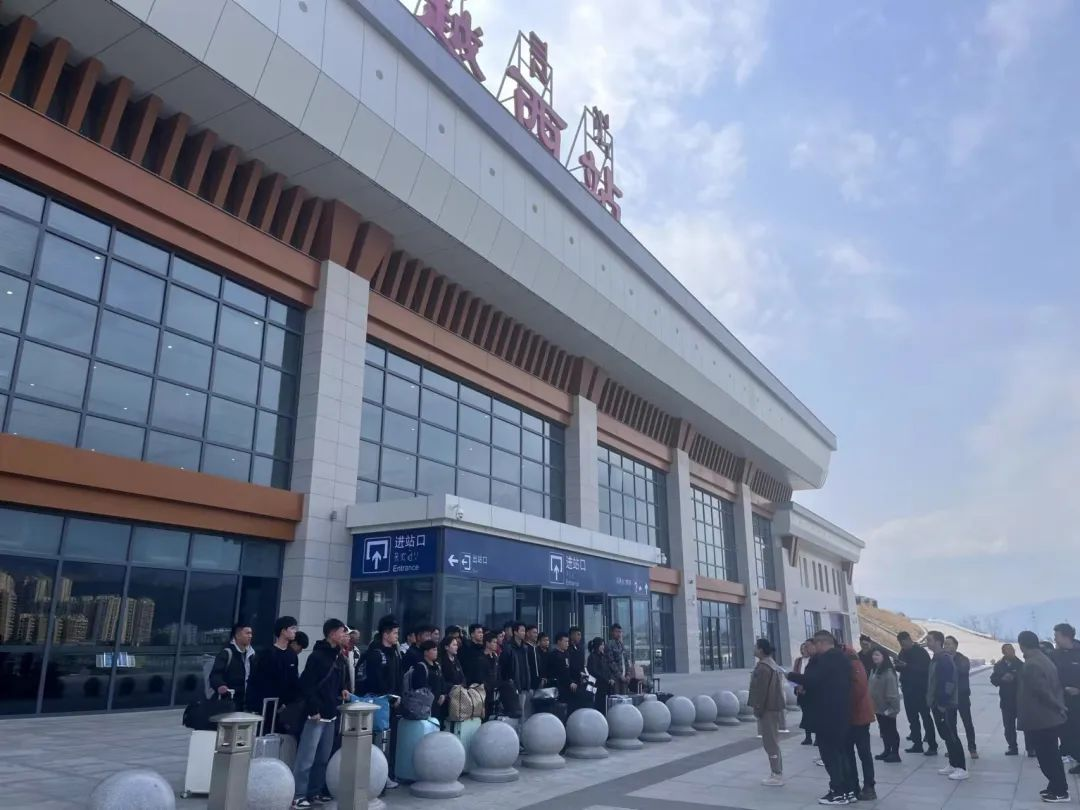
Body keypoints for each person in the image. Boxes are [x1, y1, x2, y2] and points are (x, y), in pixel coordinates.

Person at [787, 630, 852, 805]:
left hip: (827, 715)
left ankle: (837, 791)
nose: (812, 648)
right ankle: (848, 790)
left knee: (830, 754)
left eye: (814, 644)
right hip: (840, 713)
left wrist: (790, 676)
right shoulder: (842, 658)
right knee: (840, 753)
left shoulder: (827, 660)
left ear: (821, 643)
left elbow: (812, 680)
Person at [291, 619, 348, 809]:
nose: (344, 635)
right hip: (315, 715)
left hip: (331, 713)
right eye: (342, 631)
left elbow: (337, 682)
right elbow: (306, 684)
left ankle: (314, 792)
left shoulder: (338, 656)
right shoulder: (316, 656)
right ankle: (298, 795)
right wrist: (313, 709)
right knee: (306, 758)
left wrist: (343, 690)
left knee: (323, 757)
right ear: (331, 633)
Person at [1017, 630, 1070, 803]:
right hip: (1048, 717)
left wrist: (1059, 707)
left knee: (1047, 757)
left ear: (1022, 645)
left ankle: (1060, 791)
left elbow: (1043, 692)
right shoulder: (1044, 659)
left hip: (1041, 718)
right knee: (1051, 755)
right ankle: (1055, 786)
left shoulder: (1032, 664)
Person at [359, 615, 403, 790]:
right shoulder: (375, 653)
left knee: (388, 740)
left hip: (391, 703)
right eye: (394, 633)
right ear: (385, 634)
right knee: (377, 740)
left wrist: (397, 696)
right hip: (378, 702)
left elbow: (398, 677)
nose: (397, 636)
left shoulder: (394, 653)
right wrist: (389, 695)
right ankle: (375, 777)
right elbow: (375, 680)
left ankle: (386, 775)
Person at [926, 630, 967, 781]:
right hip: (937, 703)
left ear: (938, 642)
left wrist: (943, 703)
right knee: (946, 735)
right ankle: (953, 763)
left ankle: (961, 768)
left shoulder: (944, 659)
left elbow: (949, 682)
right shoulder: (936, 658)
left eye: (929, 640)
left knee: (952, 735)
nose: (927, 643)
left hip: (946, 705)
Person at [247, 616, 300, 727]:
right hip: (266, 704)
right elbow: (258, 680)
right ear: (283, 631)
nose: (295, 631)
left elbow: (293, 680)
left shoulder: (292, 655)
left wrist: (287, 702)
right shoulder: (267, 653)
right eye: (292, 628)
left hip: (284, 706)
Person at [749, 638, 786, 786]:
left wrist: (758, 708)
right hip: (772, 707)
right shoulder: (771, 664)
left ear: (761, 650)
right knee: (772, 741)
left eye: (755, 647)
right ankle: (776, 772)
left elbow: (761, 691)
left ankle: (776, 774)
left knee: (770, 742)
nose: (753, 649)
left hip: (767, 708)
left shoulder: (764, 667)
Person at [843, 644, 877, 801]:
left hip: (859, 717)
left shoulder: (854, 665)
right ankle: (853, 785)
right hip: (850, 717)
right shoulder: (851, 664)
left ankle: (869, 786)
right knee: (849, 752)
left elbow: (858, 691)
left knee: (863, 752)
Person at [895, 631, 937, 755]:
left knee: (925, 717)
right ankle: (917, 744)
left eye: (904, 643)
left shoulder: (920, 652)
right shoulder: (902, 652)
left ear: (909, 639)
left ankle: (932, 745)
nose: (903, 646)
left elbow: (926, 670)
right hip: (908, 690)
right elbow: (901, 668)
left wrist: (907, 666)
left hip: (920, 690)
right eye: (901, 644)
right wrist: (898, 665)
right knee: (912, 719)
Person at [991, 643, 1034, 757]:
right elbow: (993, 679)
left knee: (1027, 725)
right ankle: (1012, 747)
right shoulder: (999, 665)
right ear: (1003, 652)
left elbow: (1027, 679)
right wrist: (1002, 679)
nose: (1011, 652)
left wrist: (1015, 678)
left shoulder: (1021, 664)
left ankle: (1030, 748)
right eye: (1008, 650)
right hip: (1006, 700)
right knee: (1009, 726)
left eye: (1012, 649)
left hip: (1020, 700)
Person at [1051, 623, 1080, 774]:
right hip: (1062, 702)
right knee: (1066, 735)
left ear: (1066, 636)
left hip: (1078, 701)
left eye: (1057, 636)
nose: (1055, 639)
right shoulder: (1055, 655)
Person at [943, 635, 978, 760]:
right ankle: (953, 748)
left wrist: (949, 662)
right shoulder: (943, 659)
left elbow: (962, 671)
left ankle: (972, 748)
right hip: (948, 697)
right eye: (945, 644)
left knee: (967, 723)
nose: (946, 646)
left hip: (961, 696)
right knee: (950, 724)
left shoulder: (963, 659)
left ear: (955, 646)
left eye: (949, 644)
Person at [209, 622, 256, 710]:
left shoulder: (251, 654)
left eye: (251, 633)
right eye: (247, 633)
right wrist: (220, 685)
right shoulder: (227, 653)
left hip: (246, 703)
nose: (250, 636)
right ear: (237, 635)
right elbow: (215, 674)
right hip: (229, 701)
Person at [869, 649, 901, 763]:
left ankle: (895, 753)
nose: (874, 657)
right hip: (878, 707)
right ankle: (887, 750)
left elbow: (892, 692)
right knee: (883, 730)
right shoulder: (875, 669)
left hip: (888, 707)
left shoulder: (888, 672)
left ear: (884, 657)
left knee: (891, 730)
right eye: (873, 654)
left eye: (877, 655)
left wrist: (893, 708)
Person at [406, 640, 445, 718]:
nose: (436, 652)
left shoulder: (437, 666)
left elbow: (442, 681)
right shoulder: (421, 667)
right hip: (425, 705)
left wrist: (443, 694)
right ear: (426, 652)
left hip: (438, 703)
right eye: (433, 650)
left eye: (436, 650)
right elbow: (419, 687)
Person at [499, 621, 530, 718]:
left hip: (523, 685)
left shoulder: (525, 648)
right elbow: (503, 667)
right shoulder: (508, 648)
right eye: (522, 631)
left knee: (524, 712)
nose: (524, 633)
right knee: (516, 713)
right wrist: (509, 681)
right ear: (515, 632)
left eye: (524, 631)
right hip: (513, 686)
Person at [793, 640, 816, 745]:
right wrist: (797, 687)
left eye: (806, 648)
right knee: (805, 714)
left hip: (811, 691)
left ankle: (818, 737)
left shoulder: (813, 660)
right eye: (802, 648)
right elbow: (794, 675)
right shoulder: (798, 661)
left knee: (814, 714)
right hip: (800, 691)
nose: (804, 650)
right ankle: (808, 737)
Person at [438, 636, 466, 726]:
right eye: (454, 645)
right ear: (446, 647)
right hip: (447, 695)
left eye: (456, 645)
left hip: (458, 695)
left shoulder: (456, 660)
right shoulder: (442, 661)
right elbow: (442, 679)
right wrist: (452, 687)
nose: (456, 647)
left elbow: (462, 676)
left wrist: (462, 685)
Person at [587, 637, 614, 712]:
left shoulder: (603, 656)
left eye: (603, 645)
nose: (603, 647)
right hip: (597, 685)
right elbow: (594, 672)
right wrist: (606, 680)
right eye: (601, 645)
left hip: (605, 685)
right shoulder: (592, 657)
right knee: (598, 705)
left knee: (605, 705)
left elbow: (608, 669)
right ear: (597, 645)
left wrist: (610, 678)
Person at [551, 632, 578, 705]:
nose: (567, 644)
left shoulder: (567, 654)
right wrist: (569, 682)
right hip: (558, 686)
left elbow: (569, 669)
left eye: (568, 642)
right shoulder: (553, 655)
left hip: (568, 686)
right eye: (565, 641)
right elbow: (559, 672)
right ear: (559, 642)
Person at [605, 623, 632, 696]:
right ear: (612, 632)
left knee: (625, 698)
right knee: (616, 698)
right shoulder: (609, 644)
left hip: (624, 677)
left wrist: (628, 674)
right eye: (616, 631)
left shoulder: (621, 644)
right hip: (615, 678)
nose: (619, 634)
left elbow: (626, 661)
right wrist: (620, 675)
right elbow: (611, 662)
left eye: (620, 632)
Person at [481, 631, 501, 717]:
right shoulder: (481, 658)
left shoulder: (496, 657)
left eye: (496, 642)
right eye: (494, 642)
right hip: (485, 691)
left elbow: (498, 672)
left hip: (495, 690)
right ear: (487, 643)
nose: (496, 644)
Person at [524, 624, 543, 693]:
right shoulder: (525, 648)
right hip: (528, 685)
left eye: (537, 633)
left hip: (538, 683)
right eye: (534, 633)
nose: (536, 635)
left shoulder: (536, 648)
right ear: (528, 633)